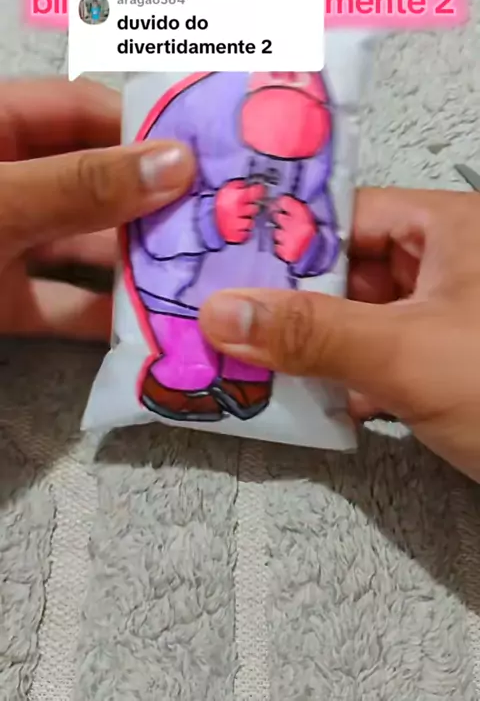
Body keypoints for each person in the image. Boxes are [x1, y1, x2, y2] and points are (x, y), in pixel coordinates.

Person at [1, 78, 479, 483]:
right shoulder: (188, 152)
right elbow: (158, 240)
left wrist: (308, 242)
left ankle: (241, 382)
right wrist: (209, 219)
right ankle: (178, 382)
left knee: (252, 368)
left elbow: (325, 243)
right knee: (187, 359)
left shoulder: (305, 168)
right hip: (179, 300)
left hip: (266, 301)